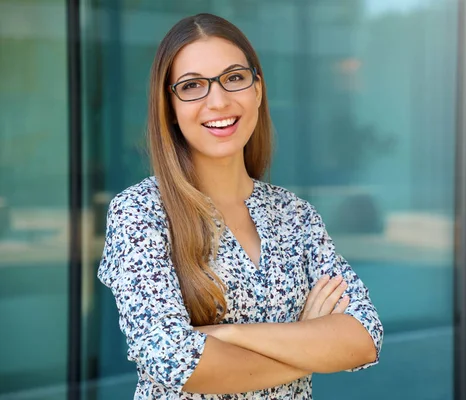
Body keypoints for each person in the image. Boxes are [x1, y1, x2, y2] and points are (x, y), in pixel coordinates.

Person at [98, 13, 383, 400]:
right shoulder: (140, 212)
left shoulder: (294, 215)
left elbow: (364, 337)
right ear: (170, 105)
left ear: (258, 89)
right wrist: (309, 342)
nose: (218, 101)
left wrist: (228, 335)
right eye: (192, 85)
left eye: (234, 78)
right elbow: (176, 362)